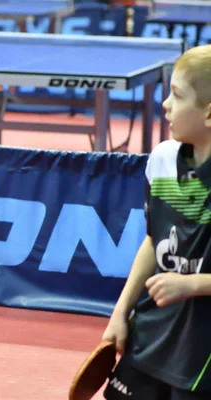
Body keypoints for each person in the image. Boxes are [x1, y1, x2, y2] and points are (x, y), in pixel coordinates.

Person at [101, 44, 211, 399]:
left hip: (201, 350)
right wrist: (121, 311)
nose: (165, 104)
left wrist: (192, 285)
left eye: (177, 96)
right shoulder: (163, 159)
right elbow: (154, 239)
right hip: (152, 329)